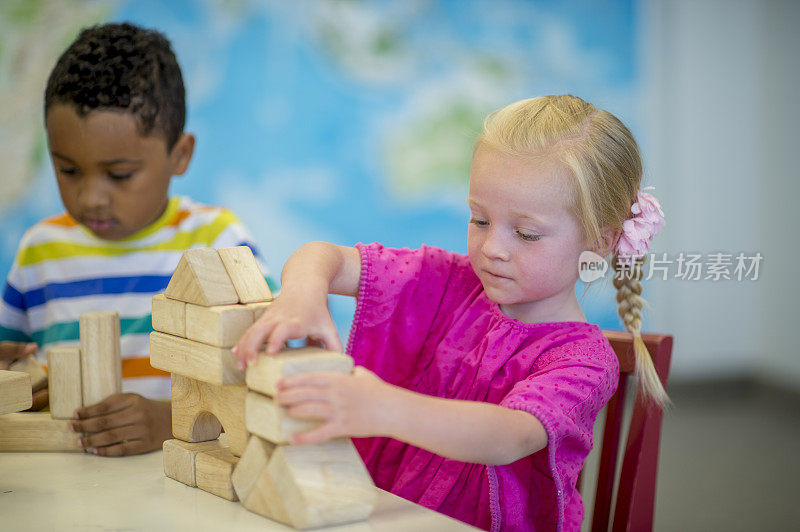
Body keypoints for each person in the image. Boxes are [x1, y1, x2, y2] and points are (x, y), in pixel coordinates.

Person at [234, 95, 666, 531]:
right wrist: (302, 294)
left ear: (601, 241)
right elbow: (323, 256)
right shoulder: (447, 282)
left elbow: (508, 435)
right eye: (479, 220)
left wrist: (386, 408)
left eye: (526, 233)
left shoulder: (584, 361)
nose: (493, 248)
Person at [0, 23, 273, 456]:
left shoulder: (219, 244)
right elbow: (13, 365)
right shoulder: (39, 251)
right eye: (68, 170)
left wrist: (170, 420)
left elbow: (271, 381)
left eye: (120, 175)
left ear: (180, 155)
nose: (91, 197)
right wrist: (17, 385)